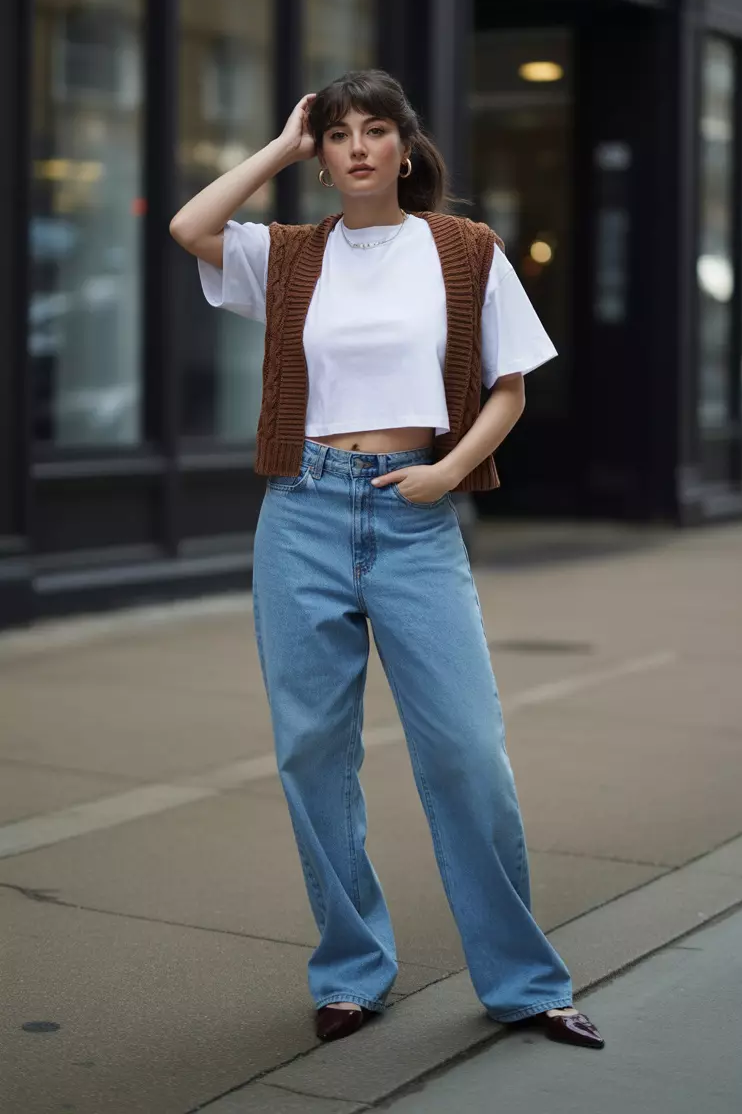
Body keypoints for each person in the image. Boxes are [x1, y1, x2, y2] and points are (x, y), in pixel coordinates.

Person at [169, 69, 604, 1052]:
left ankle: (526, 982)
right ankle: (352, 972)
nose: (358, 147)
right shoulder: (287, 257)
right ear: (321, 157)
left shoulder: (464, 250)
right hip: (303, 514)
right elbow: (190, 227)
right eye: (337, 134)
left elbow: (508, 389)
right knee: (313, 755)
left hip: (416, 512)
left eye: (376, 131)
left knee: (466, 753)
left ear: (404, 148)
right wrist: (278, 145)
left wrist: (448, 471)